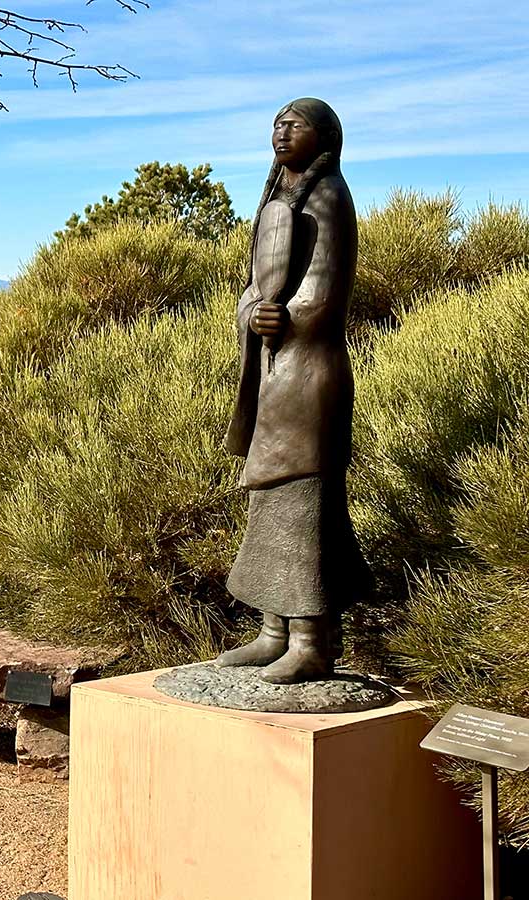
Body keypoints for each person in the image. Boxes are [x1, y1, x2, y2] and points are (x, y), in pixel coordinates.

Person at [214, 98, 373, 684]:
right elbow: (257, 285)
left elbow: (326, 292)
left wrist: (288, 319)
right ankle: (273, 630)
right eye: (276, 124)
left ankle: (312, 639)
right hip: (272, 374)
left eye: (294, 124)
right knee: (268, 501)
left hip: (308, 376)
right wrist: (253, 312)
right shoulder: (276, 198)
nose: (281, 132)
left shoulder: (330, 197)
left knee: (303, 502)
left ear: (324, 136)